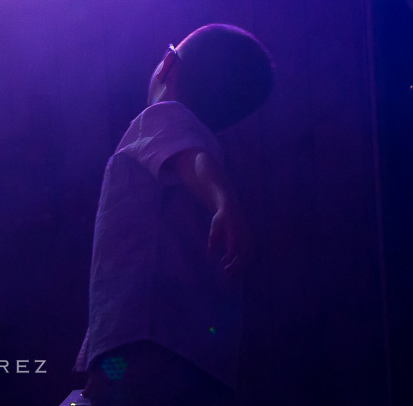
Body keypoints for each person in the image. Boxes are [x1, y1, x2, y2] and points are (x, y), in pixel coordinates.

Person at [76, 24, 273, 406]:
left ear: (168, 64)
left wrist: (222, 200)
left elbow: (193, 162)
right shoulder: (201, 138)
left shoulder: (163, 117)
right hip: (197, 360)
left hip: (144, 348)